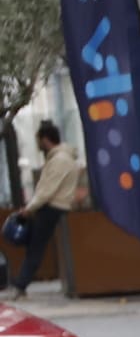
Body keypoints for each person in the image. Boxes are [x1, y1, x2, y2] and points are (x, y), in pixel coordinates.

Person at [8, 122, 81, 298]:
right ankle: (20, 283)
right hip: (54, 206)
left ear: (45, 139)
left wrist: (30, 208)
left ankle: (20, 285)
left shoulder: (59, 160)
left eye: (38, 140)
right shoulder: (62, 158)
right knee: (35, 245)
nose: (38, 145)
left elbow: (47, 190)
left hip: (52, 207)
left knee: (36, 247)